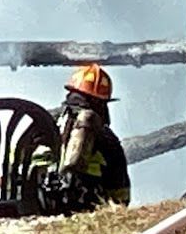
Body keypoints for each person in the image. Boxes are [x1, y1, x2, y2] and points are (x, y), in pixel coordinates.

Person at [33, 64, 131, 213]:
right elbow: (120, 194)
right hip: (82, 207)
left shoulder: (45, 122)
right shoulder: (107, 139)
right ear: (101, 103)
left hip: (38, 204)